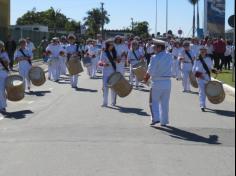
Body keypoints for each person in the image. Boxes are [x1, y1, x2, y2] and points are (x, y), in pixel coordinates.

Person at [144, 39, 172, 127]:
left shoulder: (154, 57)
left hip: (157, 81)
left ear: (159, 48)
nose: (154, 49)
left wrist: (145, 79)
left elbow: (150, 70)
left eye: (155, 47)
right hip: (167, 82)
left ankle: (155, 118)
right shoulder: (169, 55)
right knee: (165, 102)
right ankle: (164, 121)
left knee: (153, 101)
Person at [192, 46, 214, 112]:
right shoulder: (197, 59)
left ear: (206, 52)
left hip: (207, 76)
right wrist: (199, 75)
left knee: (207, 91)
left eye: (204, 50)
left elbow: (211, 68)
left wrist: (215, 71)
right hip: (200, 77)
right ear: (199, 51)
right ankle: (202, 105)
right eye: (201, 50)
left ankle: (204, 103)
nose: (202, 52)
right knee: (202, 91)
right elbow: (193, 70)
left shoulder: (209, 59)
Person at [99, 39, 117, 107]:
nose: (112, 46)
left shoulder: (115, 52)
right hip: (106, 71)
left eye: (112, 45)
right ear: (107, 45)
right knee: (105, 87)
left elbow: (117, 61)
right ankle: (105, 102)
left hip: (113, 71)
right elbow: (100, 62)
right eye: (111, 44)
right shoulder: (103, 52)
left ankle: (113, 102)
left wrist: (118, 60)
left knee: (113, 87)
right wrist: (103, 64)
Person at [0, 41, 10, 113]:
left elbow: (7, 63)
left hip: (3, 73)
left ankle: (3, 106)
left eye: (0, 46)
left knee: (1, 91)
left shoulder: (4, 54)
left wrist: (3, 60)